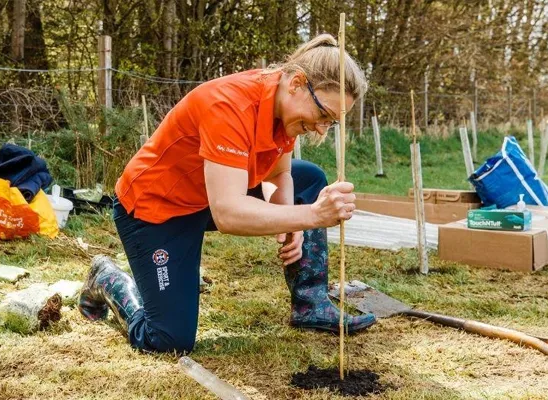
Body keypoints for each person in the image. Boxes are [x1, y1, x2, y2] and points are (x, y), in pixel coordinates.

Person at [78, 33, 375, 354]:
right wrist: (312, 215)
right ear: (298, 84)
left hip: (208, 195)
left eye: (332, 122)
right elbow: (229, 213)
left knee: (309, 178)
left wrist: (290, 222)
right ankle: (107, 279)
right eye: (323, 115)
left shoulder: (285, 108)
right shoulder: (229, 104)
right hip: (156, 210)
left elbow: (279, 173)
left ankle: (310, 304)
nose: (321, 129)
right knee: (168, 340)